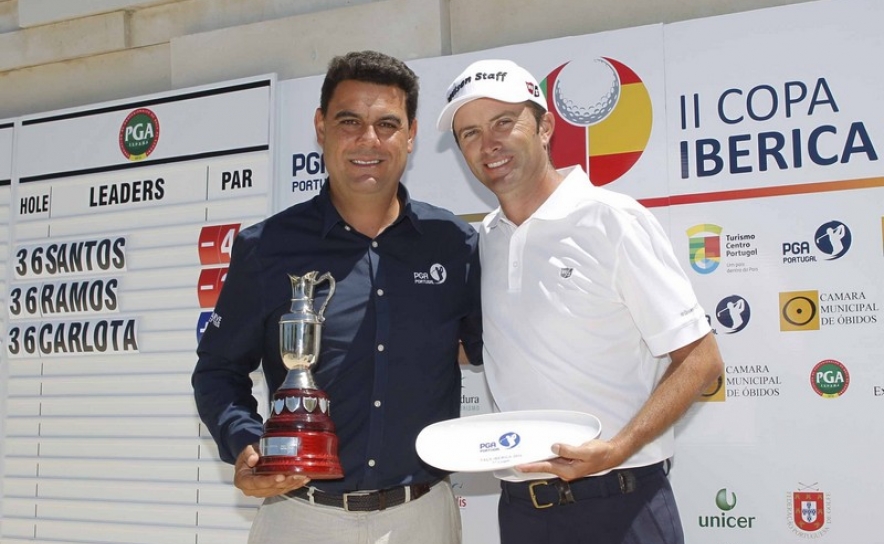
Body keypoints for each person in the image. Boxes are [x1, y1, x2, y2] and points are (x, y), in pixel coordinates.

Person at [193, 50, 482, 544]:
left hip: (422, 517)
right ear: (320, 127)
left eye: (387, 124)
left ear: (411, 136)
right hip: (301, 515)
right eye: (349, 121)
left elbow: (493, 347)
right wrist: (245, 444)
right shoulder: (266, 248)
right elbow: (218, 371)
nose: (368, 140)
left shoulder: (454, 244)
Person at [437, 59, 724, 544]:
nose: (488, 145)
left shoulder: (612, 221)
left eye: (505, 122)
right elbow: (480, 346)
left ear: (545, 126)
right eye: (470, 133)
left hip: (620, 503)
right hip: (523, 512)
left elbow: (701, 359)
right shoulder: (483, 242)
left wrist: (617, 448)